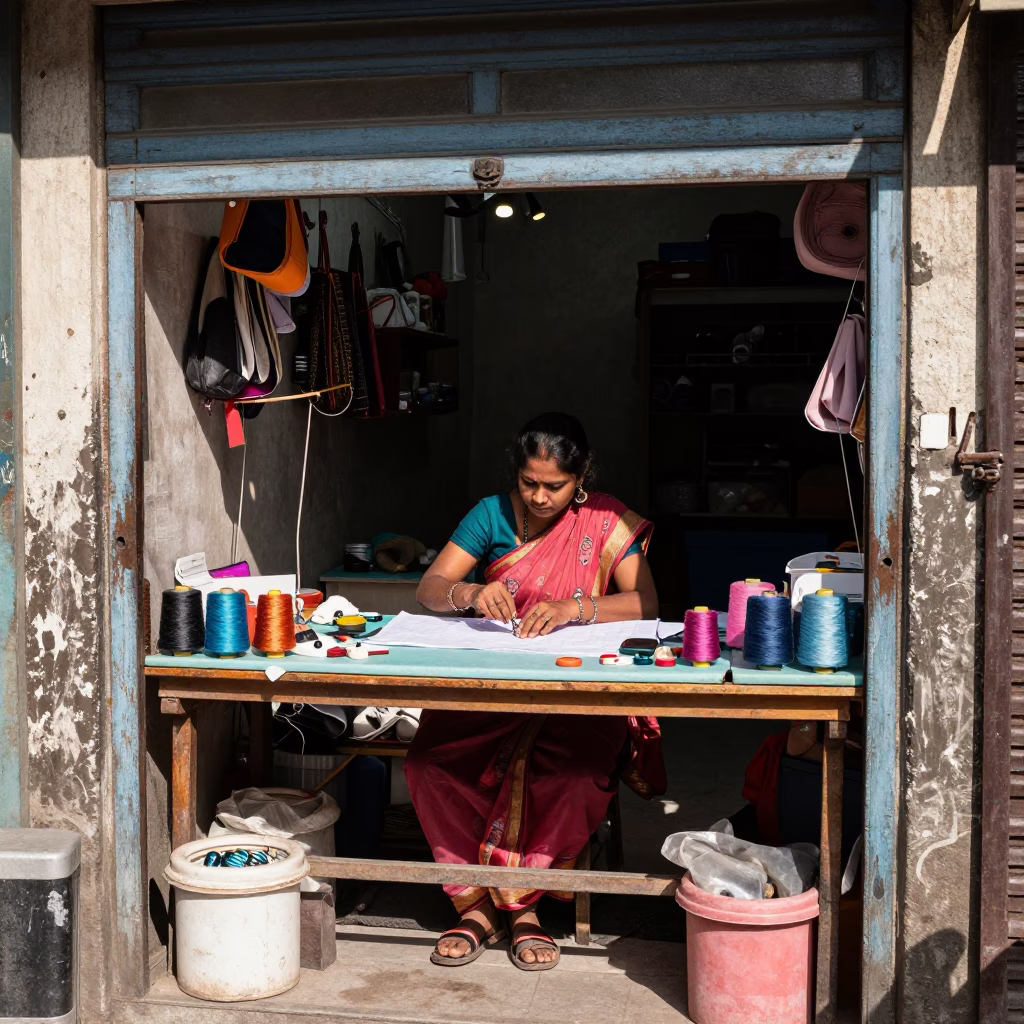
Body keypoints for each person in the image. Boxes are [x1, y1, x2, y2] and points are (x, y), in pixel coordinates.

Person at [406, 412, 665, 972]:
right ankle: (473, 903)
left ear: (581, 480)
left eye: (555, 486)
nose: (541, 497)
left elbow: (646, 604)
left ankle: (525, 909)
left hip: (576, 693)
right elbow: (430, 587)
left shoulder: (603, 519)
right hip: (495, 688)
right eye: (529, 483)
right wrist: (469, 593)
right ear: (515, 475)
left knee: (569, 775)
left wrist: (576, 608)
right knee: (430, 764)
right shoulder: (491, 514)